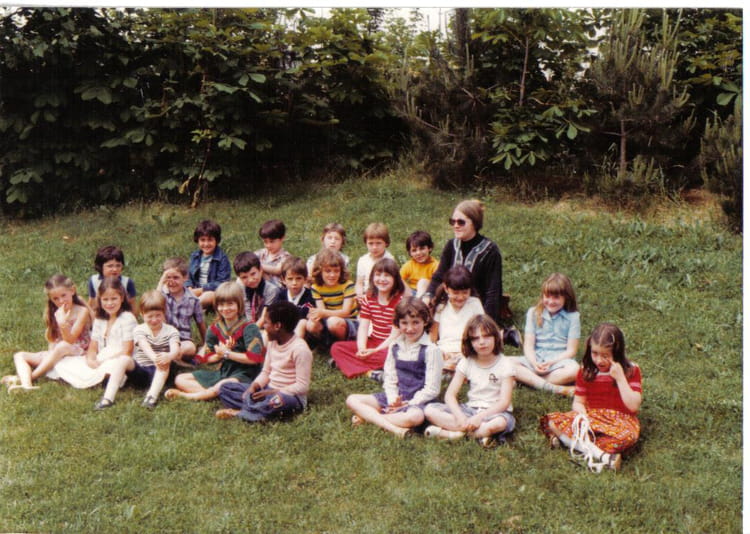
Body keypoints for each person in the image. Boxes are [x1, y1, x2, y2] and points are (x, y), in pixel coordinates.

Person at [540, 323, 642, 472]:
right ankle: (601, 454)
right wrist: (582, 416)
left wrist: (620, 378)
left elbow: (633, 406)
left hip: (621, 420)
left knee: (627, 437)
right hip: (592, 418)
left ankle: (572, 442)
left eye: (605, 356)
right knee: (553, 421)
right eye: (595, 353)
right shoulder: (586, 371)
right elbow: (578, 402)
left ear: (617, 353)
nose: (599, 360)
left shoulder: (631, 370)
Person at [345, 297, 442, 439]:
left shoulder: (431, 350)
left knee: (415, 417)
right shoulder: (394, 346)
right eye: (404, 323)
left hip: (418, 402)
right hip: (396, 397)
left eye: (416, 322)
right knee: (352, 399)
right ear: (398, 323)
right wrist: (392, 400)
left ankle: (368, 418)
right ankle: (394, 427)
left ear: (425, 321)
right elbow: (390, 378)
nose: (410, 328)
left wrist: (407, 404)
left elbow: (432, 389)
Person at [424, 314, 516, 448]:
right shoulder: (466, 362)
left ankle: (453, 434)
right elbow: (450, 395)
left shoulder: (506, 364)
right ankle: (480, 434)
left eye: (486, 336)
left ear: (496, 337)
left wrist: (480, 417)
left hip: (495, 412)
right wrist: (460, 416)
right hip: (470, 410)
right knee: (429, 410)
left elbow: (504, 402)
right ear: (469, 342)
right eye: (475, 338)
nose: (482, 342)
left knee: (499, 424)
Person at [164, 282, 264, 402]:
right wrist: (218, 355)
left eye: (230, 304)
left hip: (245, 374)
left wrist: (227, 353)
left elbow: (254, 359)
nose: (225, 309)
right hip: (224, 372)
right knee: (180, 379)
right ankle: (216, 394)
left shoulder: (249, 327)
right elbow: (208, 358)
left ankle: (186, 396)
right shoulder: (214, 328)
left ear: (239, 304)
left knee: (224, 385)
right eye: (221, 305)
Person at [48, 277, 138, 410]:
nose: (110, 303)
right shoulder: (100, 319)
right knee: (66, 363)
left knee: (112, 366)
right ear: (100, 300)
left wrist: (104, 360)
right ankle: (98, 377)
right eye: (105, 300)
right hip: (102, 356)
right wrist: (90, 359)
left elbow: (127, 351)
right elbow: (93, 345)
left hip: (120, 358)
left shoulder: (127, 318)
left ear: (122, 298)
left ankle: (107, 379)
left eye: (114, 299)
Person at [215, 301, 313, 423]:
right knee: (225, 388)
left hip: (289, 396)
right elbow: (266, 372)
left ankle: (241, 412)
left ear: (277, 326)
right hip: (267, 391)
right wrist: (254, 386)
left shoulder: (300, 349)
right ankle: (257, 411)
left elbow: (302, 386)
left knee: (278, 401)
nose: (263, 327)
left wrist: (271, 392)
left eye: (266, 323)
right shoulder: (272, 342)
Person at [2, 274, 92, 392]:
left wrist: (62, 323)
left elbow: (70, 340)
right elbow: (52, 338)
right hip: (58, 351)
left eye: (63, 295)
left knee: (62, 346)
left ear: (72, 291)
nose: (61, 301)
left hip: (78, 350)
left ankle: (28, 378)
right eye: (56, 299)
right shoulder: (55, 312)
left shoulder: (81, 311)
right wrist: (50, 354)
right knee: (19, 355)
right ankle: (27, 386)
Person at [423, 199, 503, 323]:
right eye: (452, 221)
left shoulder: (490, 251)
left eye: (461, 222)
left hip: (475, 308)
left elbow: (492, 292)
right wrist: (428, 295)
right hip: (450, 302)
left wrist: (487, 322)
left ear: (474, 223)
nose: (455, 225)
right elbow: (439, 276)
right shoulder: (451, 245)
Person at [330, 258, 404, 378]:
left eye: (387, 275)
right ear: (372, 278)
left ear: (395, 279)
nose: (382, 279)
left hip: (390, 345)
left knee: (393, 356)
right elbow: (363, 327)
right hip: (373, 341)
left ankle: (348, 364)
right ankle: (370, 373)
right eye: (378, 275)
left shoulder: (400, 302)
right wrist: (362, 348)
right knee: (336, 348)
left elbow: (394, 335)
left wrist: (375, 351)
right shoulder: (369, 298)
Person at [509, 273, 579, 396]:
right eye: (547, 296)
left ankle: (526, 379)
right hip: (535, 360)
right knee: (503, 362)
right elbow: (528, 345)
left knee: (575, 370)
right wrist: (534, 362)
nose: (551, 301)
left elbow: (571, 351)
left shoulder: (573, 317)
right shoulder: (533, 313)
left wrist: (551, 362)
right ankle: (553, 388)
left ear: (566, 298)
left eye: (556, 297)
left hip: (559, 363)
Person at [129, 291, 181, 409]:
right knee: (124, 360)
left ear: (164, 313)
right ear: (142, 314)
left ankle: (151, 397)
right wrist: (155, 358)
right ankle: (109, 394)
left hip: (163, 371)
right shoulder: (139, 329)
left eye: (158, 315)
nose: (154, 320)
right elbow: (144, 345)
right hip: (143, 370)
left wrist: (169, 356)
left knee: (164, 362)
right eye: (150, 316)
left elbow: (175, 349)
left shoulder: (171, 331)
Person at [430, 265, 485, 373]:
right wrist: (438, 352)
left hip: (467, 349)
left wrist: (467, 350)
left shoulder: (474, 304)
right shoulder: (441, 306)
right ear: (446, 288)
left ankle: (458, 369)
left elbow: (482, 330)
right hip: (445, 351)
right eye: (455, 293)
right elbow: (433, 337)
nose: (460, 297)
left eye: (465, 292)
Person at [157, 257, 206, 364]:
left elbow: (200, 323)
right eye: (168, 277)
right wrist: (161, 281)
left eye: (176, 277)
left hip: (182, 340)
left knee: (190, 348)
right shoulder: (162, 295)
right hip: (163, 338)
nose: (171, 282)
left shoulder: (193, 299)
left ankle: (171, 358)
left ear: (185, 277)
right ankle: (173, 359)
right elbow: (153, 302)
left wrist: (205, 343)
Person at [306, 248, 358, 348]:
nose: (332, 275)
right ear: (320, 271)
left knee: (333, 322)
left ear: (341, 271)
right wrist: (315, 315)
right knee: (310, 324)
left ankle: (344, 345)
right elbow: (322, 311)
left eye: (336, 271)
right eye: (328, 271)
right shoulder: (316, 287)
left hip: (348, 322)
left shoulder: (347, 285)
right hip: (329, 319)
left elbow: (346, 312)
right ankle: (326, 344)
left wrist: (322, 313)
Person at [187, 219, 232, 309]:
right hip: (195, 290)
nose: (206, 244)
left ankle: (191, 307)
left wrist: (200, 290)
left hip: (211, 292)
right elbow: (188, 276)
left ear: (217, 240)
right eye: (202, 240)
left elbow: (222, 282)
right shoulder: (195, 256)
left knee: (208, 296)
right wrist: (189, 287)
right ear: (197, 240)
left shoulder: (222, 258)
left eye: (210, 240)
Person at [234, 251, 279, 326]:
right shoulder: (241, 286)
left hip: (267, 325)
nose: (250, 280)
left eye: (253, 274)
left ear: (260, 270)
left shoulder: (272, 290)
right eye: (244, 277)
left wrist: (252, 330)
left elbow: (264, 318)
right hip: (251, 323)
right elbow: (247, 310)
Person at [87, 245, 137, 312]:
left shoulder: (127, 282)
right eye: (110, 266)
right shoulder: (94, 281)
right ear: (100, 267)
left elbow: (132, 306)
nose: (115, 269)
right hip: (102, 314)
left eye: (118, 265)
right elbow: (92, 304)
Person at [276, 256, 315, 338]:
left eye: (298, 278)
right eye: (290, 279)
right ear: (283, 280)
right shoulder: (281, 295)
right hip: (283, 330)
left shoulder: (310, 296)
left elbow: (307, 316)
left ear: (305, 279)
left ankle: (294, 344)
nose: (294, 283)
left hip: (303, 333)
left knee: (302, 322)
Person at [354, 222, 394, 301]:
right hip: (366, 295)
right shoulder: (363, 260)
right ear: (366, 243)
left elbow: (393, 283)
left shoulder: (389, 260)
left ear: (386, 243)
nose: (374, 247)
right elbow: (359, 283)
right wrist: (359, 294)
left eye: (378, 243)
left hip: (384, 294)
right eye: (370, 243)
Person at [400, 230, 438, 297]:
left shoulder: (435, 265)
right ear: (410, 253)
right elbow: (398, 278)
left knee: (423, 282)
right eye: (414, 250)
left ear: (430, 248)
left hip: (428, 293)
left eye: (422, 248)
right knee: (398, 280)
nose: (418, 253)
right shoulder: (409, 265)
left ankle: (418, 302)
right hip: (411, 293)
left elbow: (437, 285)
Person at [255, 219, 291, 287]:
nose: (268, 245)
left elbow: (277, 270)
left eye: (272, 241)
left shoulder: (286, 257)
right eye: (265, 242)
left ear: (282, 238)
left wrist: (257, 265)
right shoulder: (261, 253)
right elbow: (249, 259)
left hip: (276, 288)